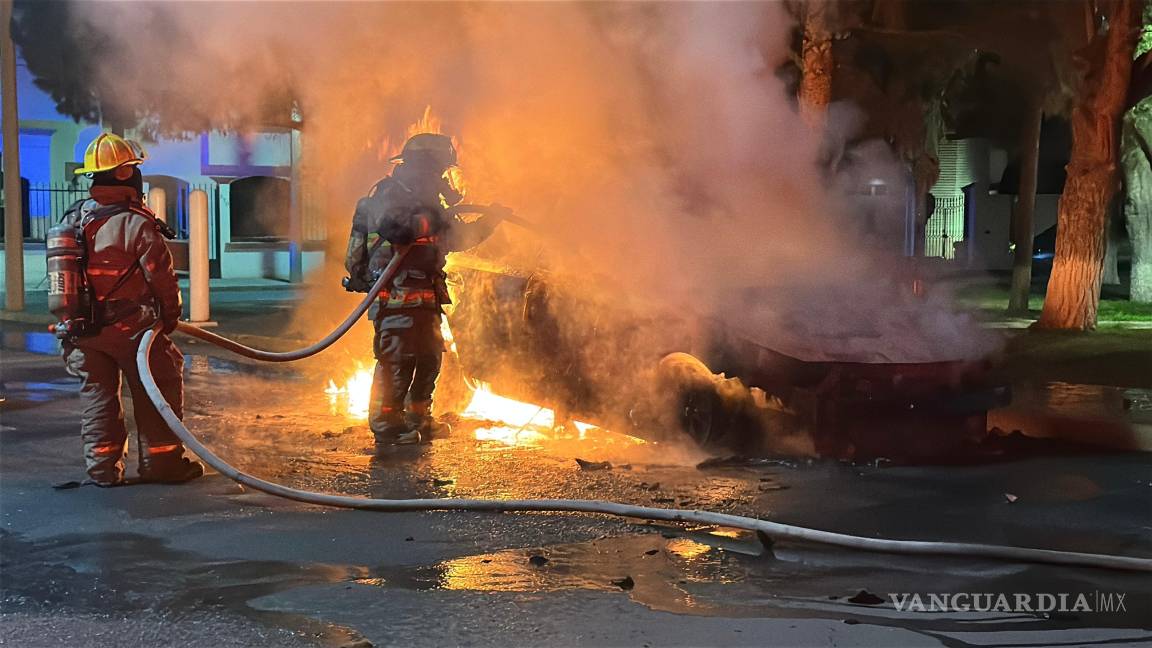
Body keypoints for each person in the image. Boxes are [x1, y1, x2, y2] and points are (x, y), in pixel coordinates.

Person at [56, 133, 203, 486]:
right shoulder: (136, 222)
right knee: (159, 384)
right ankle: (163, 465)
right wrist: (170, 318)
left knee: (98, 398)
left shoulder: (76, 217)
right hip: (133, 330)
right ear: (124, 175)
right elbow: (162, 279)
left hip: (82, 331)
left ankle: (103, 471)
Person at [344, 133, 503, 447]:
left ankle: (419, 417)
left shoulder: (430, 203)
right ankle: (386, 424)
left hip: (426, 295)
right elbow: (396, 228)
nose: (442, 177)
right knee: (396, 359)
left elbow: (455, 239)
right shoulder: (389, 193)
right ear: (424, 166)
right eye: (439, 170)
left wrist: (489, 223)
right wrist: (435, 218)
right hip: (394, 294)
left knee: (430, 359)